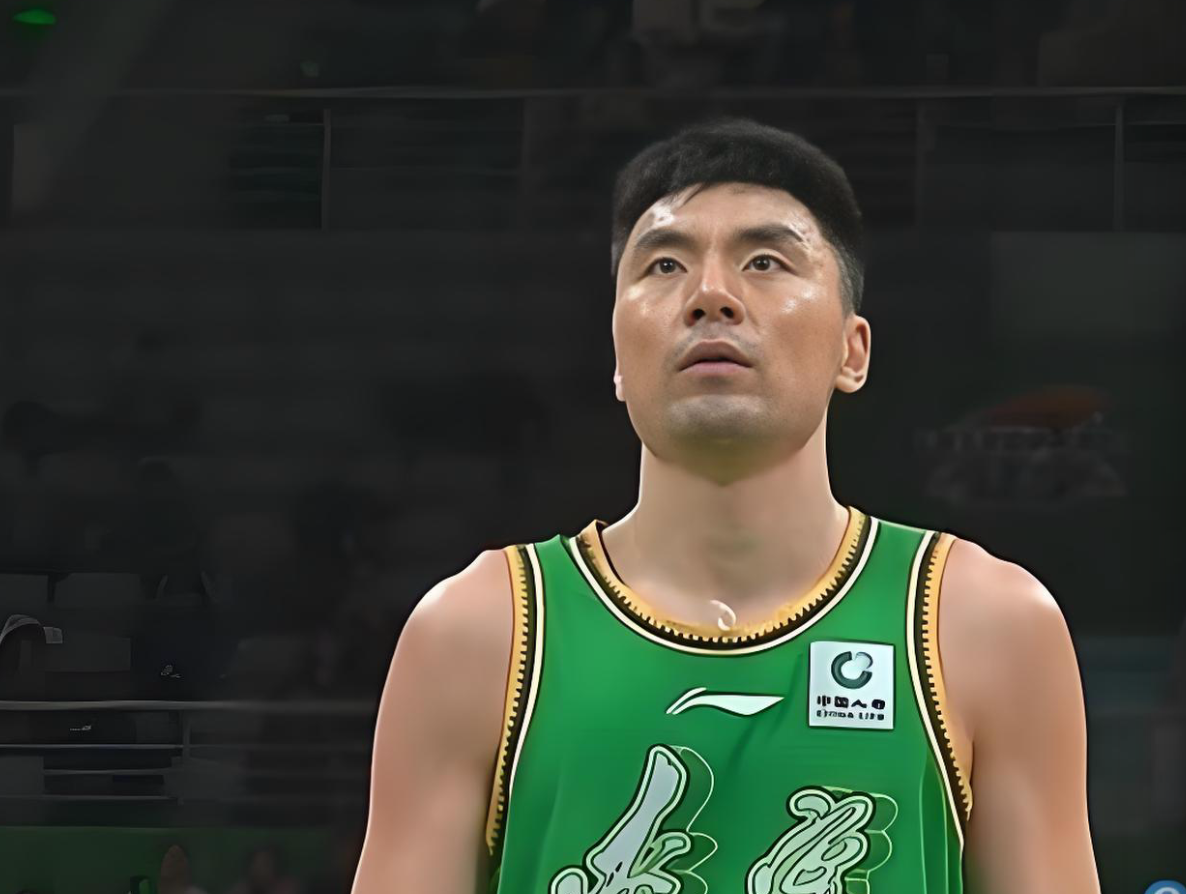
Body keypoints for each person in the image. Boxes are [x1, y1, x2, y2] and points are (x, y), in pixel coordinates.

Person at [350, 116, 1102, 893]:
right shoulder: (479, 633)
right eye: (665, 264)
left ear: (852, 351)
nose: (711, 295)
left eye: (765, 261)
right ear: (617, 357)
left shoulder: (986, 626)